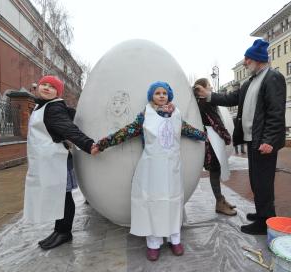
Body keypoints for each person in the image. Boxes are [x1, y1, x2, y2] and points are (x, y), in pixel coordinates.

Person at [96, 81, 206, 261]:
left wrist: (204, 136)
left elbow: (188, 130)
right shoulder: (145, 115)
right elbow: (127, 131)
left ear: (169, 95)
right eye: (157, 93)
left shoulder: (176, 114)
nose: (161, 95)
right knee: (153, 202)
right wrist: (102, 144)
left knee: (172, 201)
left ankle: (174, 238)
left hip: (172, 169)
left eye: (164, 93)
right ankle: (153, 243)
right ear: (151, 96)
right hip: (152, 168)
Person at [194, 39, 286, 235]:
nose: (245, 62)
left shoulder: (273, 78)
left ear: (258, 59)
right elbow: (230, 99)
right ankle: (263, 213)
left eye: (247, 59)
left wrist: (269, 140)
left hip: (264, 141)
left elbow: (276, 112)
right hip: (253, 139)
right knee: (256, 180)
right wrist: (208, 94)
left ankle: (265, 222)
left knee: (263, 182)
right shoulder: (250, 82)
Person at [23, 75, 99, 250]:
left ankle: (64, 232)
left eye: (52, 87)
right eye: (44, 85)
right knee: (59, 196)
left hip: (57, 162)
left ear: (58, 93)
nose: (47, 88)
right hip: (47, 161)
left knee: (63, 196)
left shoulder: (53, 108)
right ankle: (59, 230)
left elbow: (68, 128)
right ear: (38, 88)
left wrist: (88, 145)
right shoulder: (41, 106)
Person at [193, 78, 237, 216]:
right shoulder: (205, 102)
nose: (211, 88)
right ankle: (219, 202)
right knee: (215, 171)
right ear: (202, 89)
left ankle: (221, 200)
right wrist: (226, 135)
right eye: (209, 86)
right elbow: (215, 122)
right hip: (212, 140)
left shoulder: (202, 102)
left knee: (216, 171)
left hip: (212, 139)